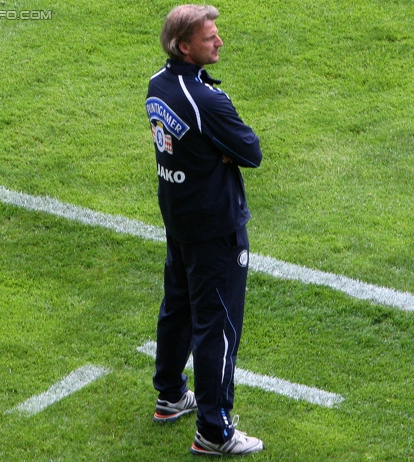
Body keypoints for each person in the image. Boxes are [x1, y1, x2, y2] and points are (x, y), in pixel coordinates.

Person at [145, 4, 264, 457]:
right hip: (215, 229)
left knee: (177, 308)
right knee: (218, 328)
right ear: (184, 47)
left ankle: (171, 395)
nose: (219, 42)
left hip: (179, 219)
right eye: (209, 37)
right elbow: (251, 151)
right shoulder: (207, 100)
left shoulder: (158, 84)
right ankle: (214, 432)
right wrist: (221, 152)